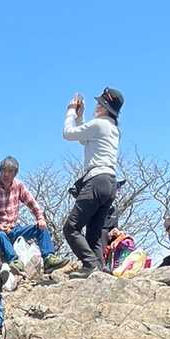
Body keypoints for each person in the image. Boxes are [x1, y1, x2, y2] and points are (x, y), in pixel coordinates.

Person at [57, 87, 124, 277]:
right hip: (110, 182)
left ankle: (90, 264)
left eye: (99, 103)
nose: (96, 106)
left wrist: (71, 111)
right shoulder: (113, 128)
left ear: (104, 107)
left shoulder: (99, 124)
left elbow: (68, 133)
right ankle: (100, 270)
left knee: (71, 227)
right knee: (94, 234)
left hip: (96, 180)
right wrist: (81, 117)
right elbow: (84, 139)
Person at [0, 155, 63, 269]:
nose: (6, 174)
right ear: (0, 171)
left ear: (15, 173)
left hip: (14, 229)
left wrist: (40, 218)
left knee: (41, 228)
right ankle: (14, 262)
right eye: (4, 170)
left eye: (10, 171)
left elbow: (32, 203)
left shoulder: (18, 185)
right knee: (0, 235)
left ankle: (49, 257)